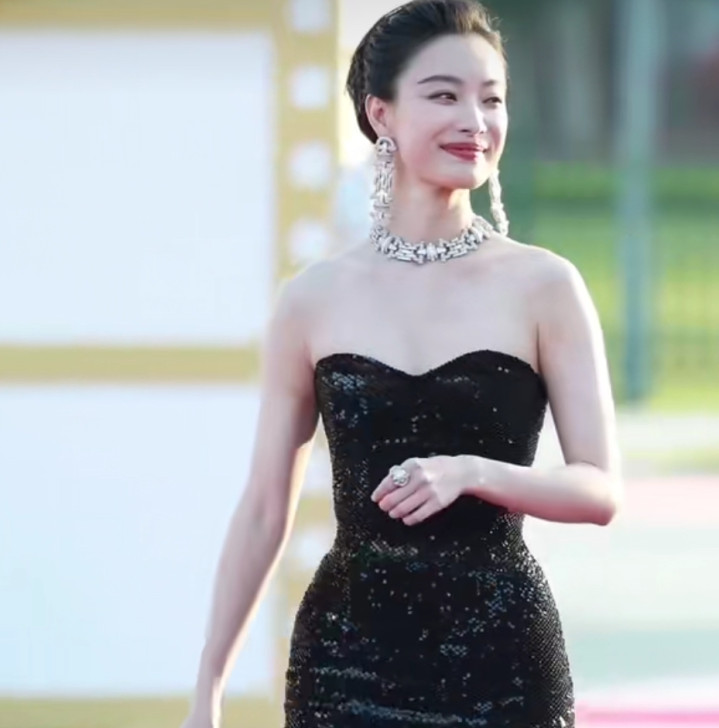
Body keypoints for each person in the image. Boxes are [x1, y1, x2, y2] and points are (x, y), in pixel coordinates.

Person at [180, 1, 623, 726]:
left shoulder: (545, 286)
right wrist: (208, 686)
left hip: (503, 665)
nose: (474, 121)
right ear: (380, 113)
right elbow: (263, 508)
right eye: (444, 95)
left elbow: (598, 489)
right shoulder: (312, 299)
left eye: (491, 99)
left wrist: (472, 472)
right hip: (345, 663)